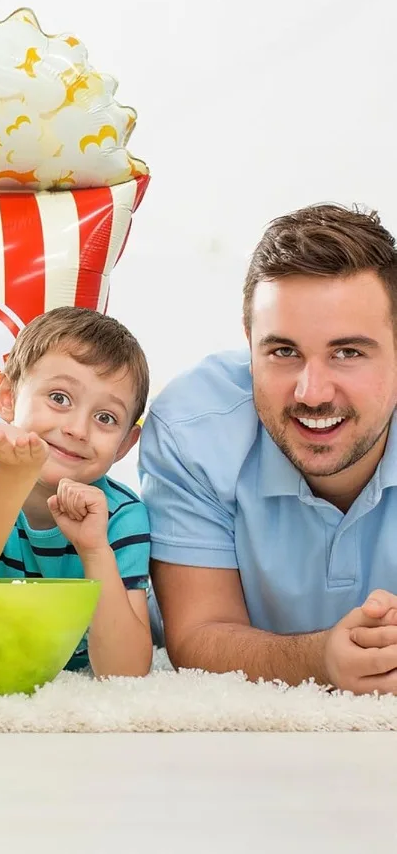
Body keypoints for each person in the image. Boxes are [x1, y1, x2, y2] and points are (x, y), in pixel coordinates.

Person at [139, 203, 397, 695]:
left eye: (348, 352)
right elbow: (197, 635)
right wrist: (322, 660)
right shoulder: (192, 430)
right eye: (283, 351)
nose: (312, 393)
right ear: (249, 343)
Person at [0, 307, 153, 678]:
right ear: (7, 397)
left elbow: (126, 674)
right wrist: (11, 473)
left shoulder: (122, 515)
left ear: (125, 445)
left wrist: (95, 549)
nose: (78, 429)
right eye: (59, 398)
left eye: (105, 418)